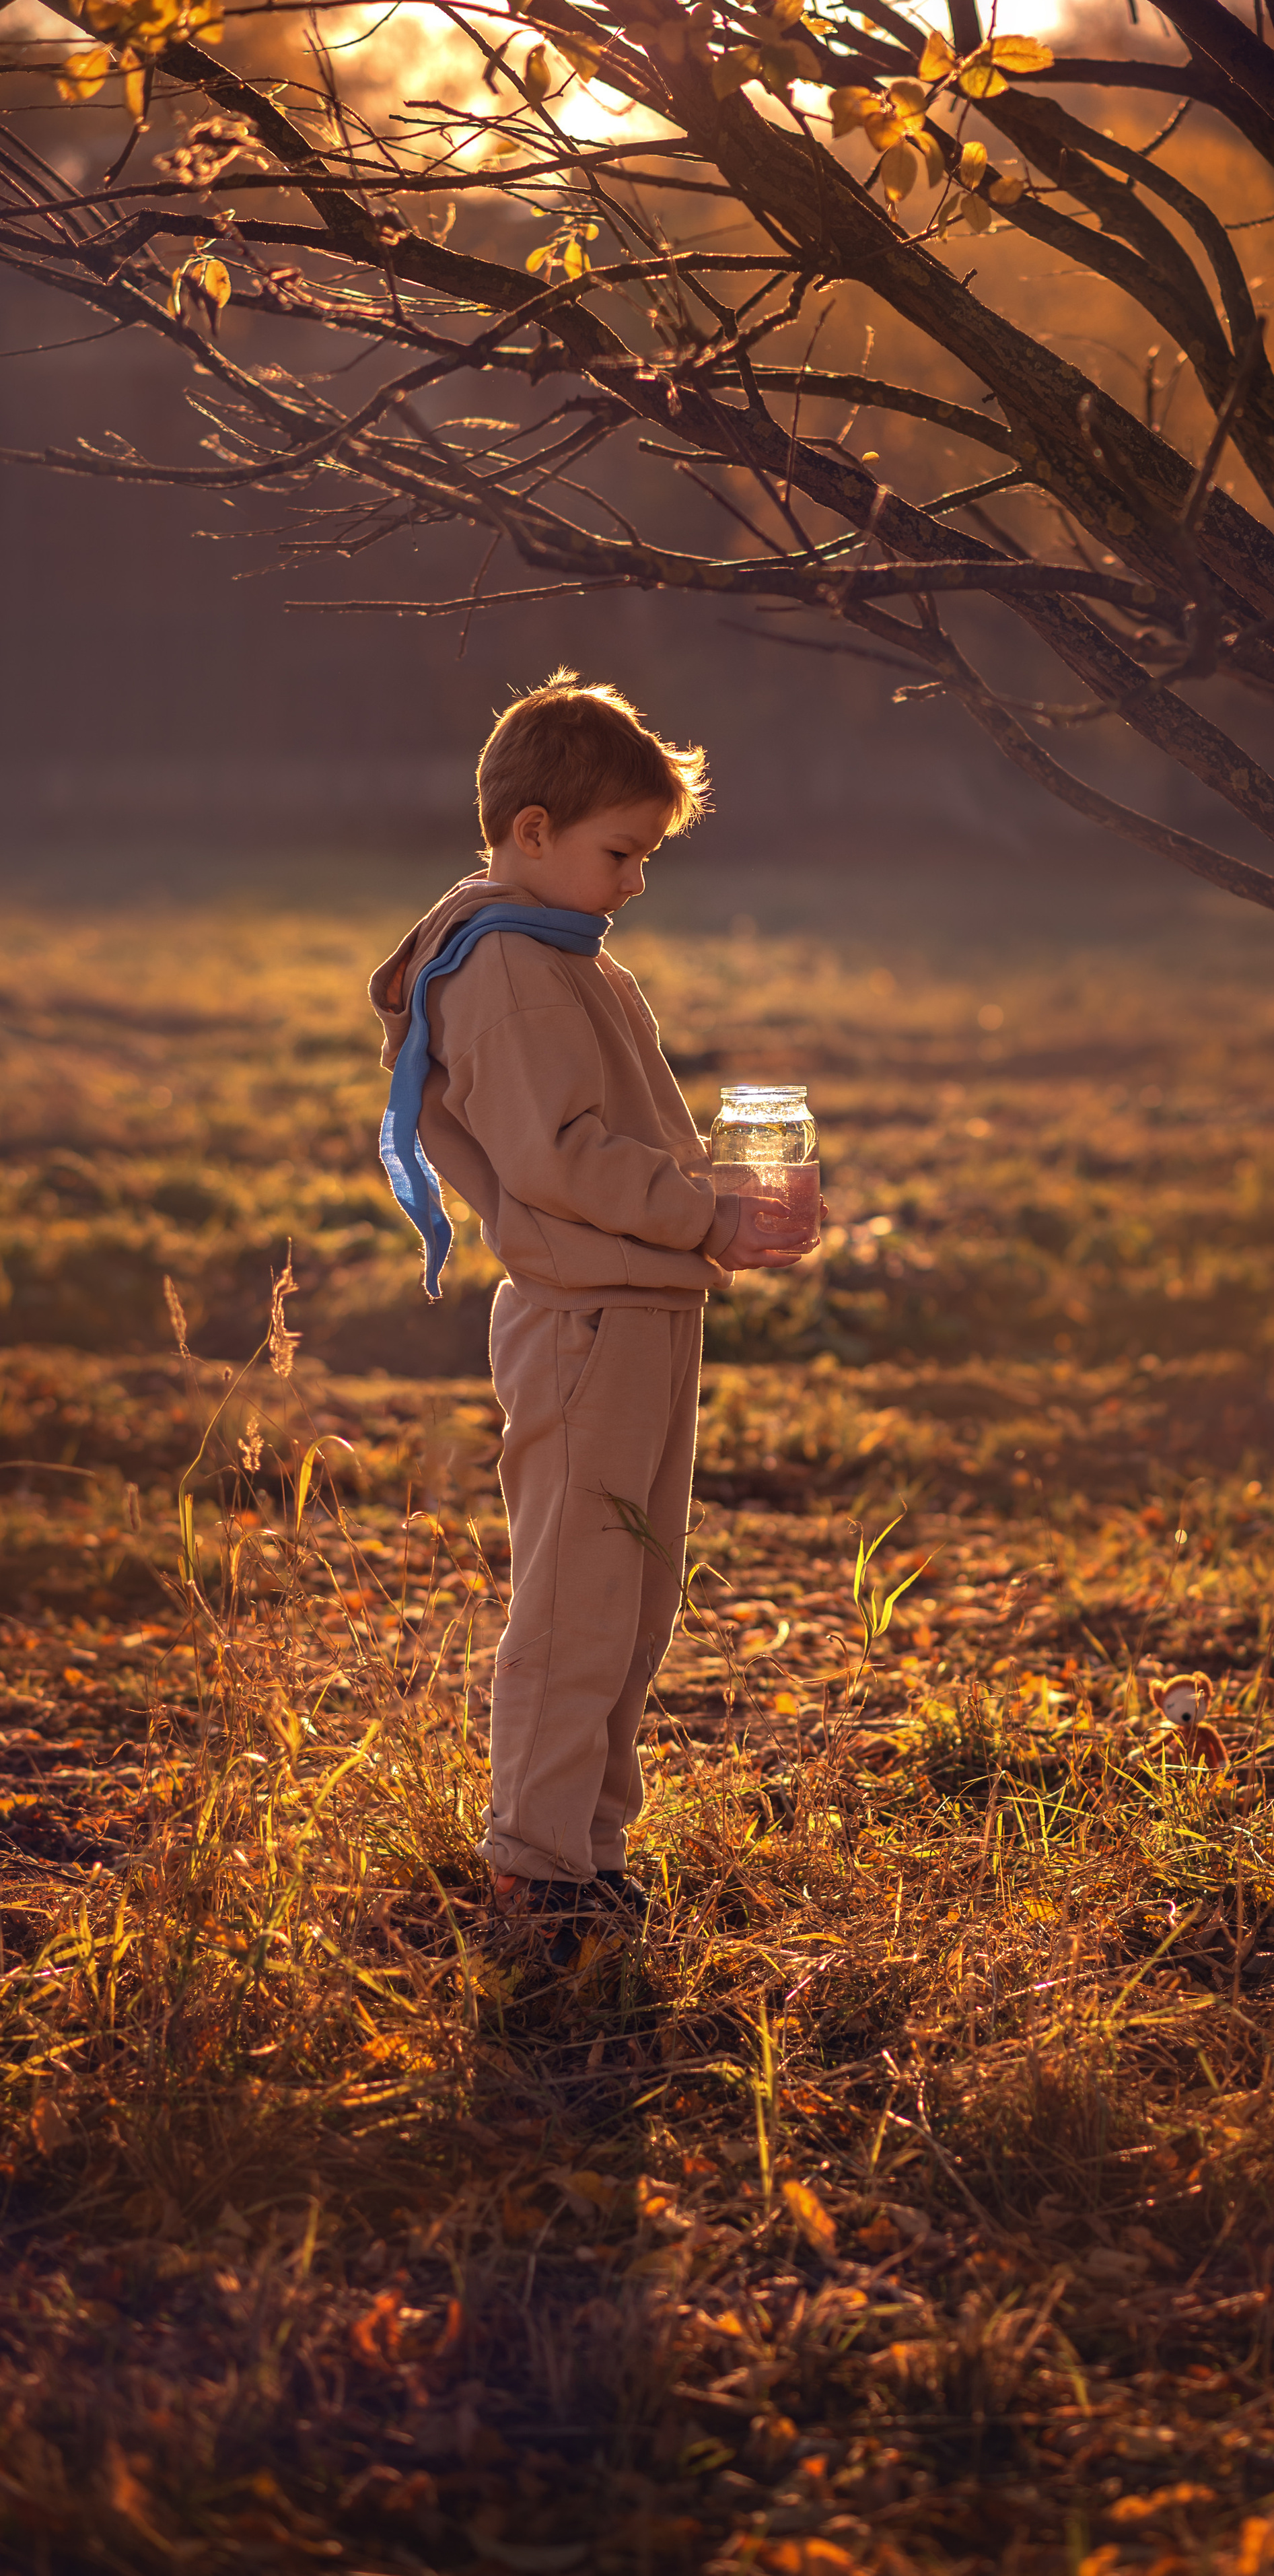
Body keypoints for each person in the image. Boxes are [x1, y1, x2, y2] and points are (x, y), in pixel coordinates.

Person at [369, 670, 817, 1953]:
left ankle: (585, 1849)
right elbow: (562, 1157)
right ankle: (535, 1865)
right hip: (586, 1316)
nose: (634, 883)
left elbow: (604, 1141)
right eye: (621, 852)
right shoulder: (509, 965)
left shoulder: (564, 954)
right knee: (577, 1595)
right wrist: (710, 1214)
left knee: (634, 1587)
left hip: (636, 1303)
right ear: (530, 833)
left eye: (647, 857)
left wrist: (712, 1203)